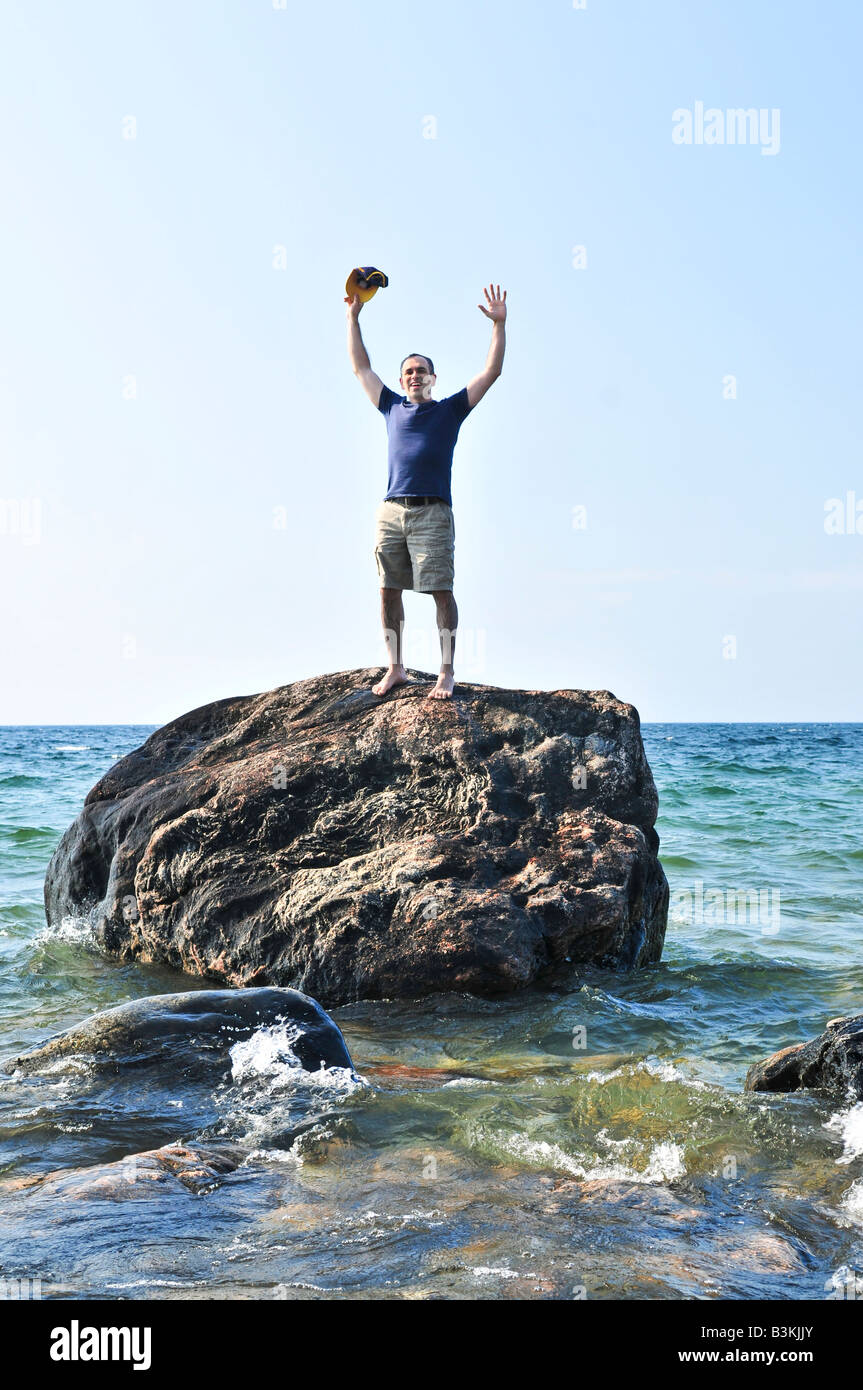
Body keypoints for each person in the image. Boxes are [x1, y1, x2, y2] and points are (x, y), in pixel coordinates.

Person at [345, 283, 507, 699]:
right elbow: (361, 368)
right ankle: (396, 667)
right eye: (409, 372)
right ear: (403, 380)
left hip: (433, 512)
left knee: (441, 591)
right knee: (387, 589)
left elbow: (491, 373)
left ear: (433, 378)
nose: (415, 376)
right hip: (391, 511)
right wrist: (352, 318)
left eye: (422, 371)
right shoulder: (390, 406)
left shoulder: (450, 410)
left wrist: (498, 326)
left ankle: (446, 673)